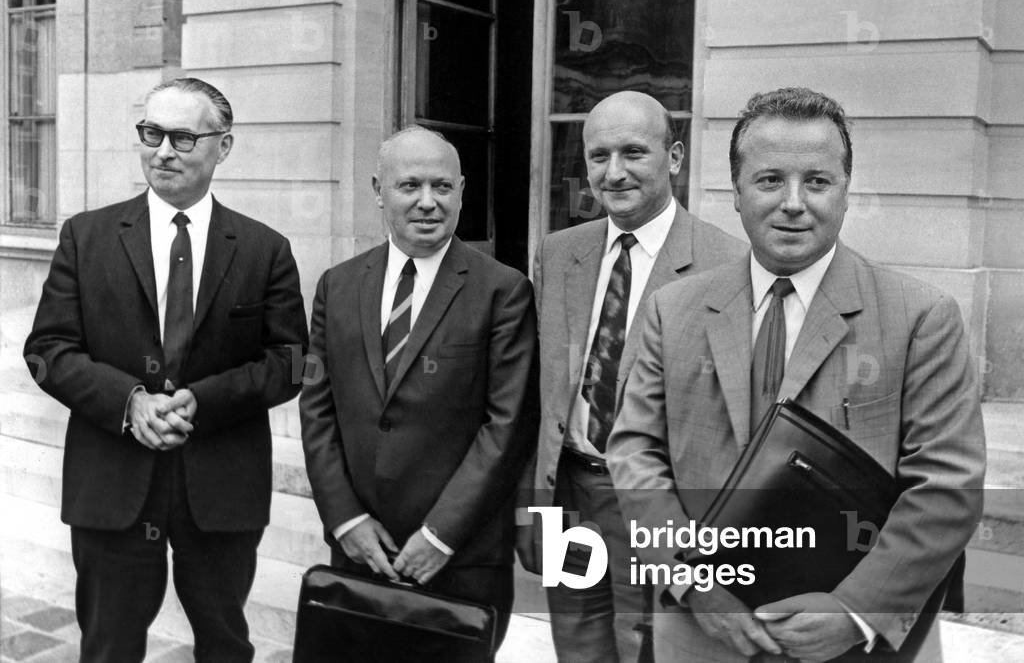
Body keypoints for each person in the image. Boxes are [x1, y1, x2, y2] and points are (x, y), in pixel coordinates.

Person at [607, 87, 985, 662]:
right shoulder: (673, 309)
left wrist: (856, 611)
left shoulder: (921, 317)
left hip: (853, 646)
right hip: (702, 633)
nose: (792, 202)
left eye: (816, 181)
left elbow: (947, 488)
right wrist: (692, 584)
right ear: (735, 193)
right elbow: (636, 455)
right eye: (768, 180)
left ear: (845, 191)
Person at [23, 77, 309, 662]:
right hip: (112, 479)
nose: (163, 151)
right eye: (152, 133)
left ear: (222, 147)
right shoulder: (87, 237)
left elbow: (289, 363)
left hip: (221, 484)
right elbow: (48, 349)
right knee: (108, 647)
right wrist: (128, 402)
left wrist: (204, 400)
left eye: (183, 137)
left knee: (225, 646)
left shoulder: (264, 249)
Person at [515, 90, 746, 662]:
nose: (613, 173)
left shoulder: (728, 264)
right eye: (599, 156)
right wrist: (531, 502)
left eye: (634, 152)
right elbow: (538, 392)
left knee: (646, 647)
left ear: (675, 157)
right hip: (569, 493)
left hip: (659, 506)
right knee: (578, 643)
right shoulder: (559, 251)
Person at [299, 126, 538, 661]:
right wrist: (345, 520)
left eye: (442, 187)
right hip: (360, 553)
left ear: (461, 190)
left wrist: (439, 536)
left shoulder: (503, 291)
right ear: (378, 190)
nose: (428, 203)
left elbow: (507, 427)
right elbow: (316, 407)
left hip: (459, 562)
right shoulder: (336, 286)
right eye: (410, 186)